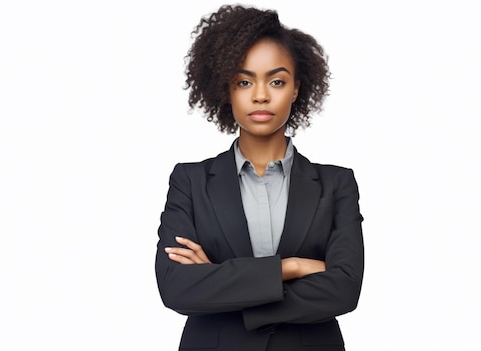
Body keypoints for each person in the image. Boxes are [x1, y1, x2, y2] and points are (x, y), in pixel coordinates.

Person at [155, 4, 364, 351]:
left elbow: (344, 289)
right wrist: (292, 267)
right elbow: (177, 288)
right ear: (226, 89)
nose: (261, 95)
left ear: (296, 89)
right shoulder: (189, 181)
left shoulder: (337, 184)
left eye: (277, 81)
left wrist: (221, 283)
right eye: (244, 81)